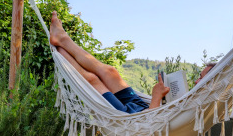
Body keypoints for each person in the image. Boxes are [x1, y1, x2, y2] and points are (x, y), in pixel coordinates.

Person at [50, 11, 215, 113]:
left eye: (201, 77)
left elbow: (153, 126)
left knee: (92, 80)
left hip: (131, 119)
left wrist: (157, 96)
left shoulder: (203, 107)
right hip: (141, 108)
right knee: (110, 72)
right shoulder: (193, 95)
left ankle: (58, 48)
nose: (196, 80)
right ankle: (61, 40)